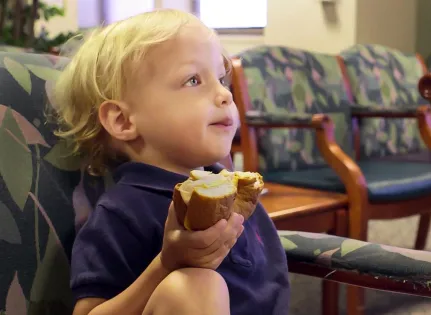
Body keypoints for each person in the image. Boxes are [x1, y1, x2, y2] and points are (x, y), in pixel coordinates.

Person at [52, 8, 290, 315]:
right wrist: (167, 265)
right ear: (123, 120)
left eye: (220, 79)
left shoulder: (235, 191)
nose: (224, 95)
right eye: (193, 80)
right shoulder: (123, 212)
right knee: (196, 286)